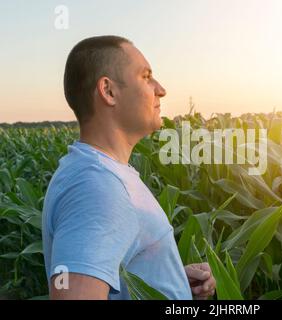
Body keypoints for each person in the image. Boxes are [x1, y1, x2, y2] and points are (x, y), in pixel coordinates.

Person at [41, 35, 216, 300]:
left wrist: (171, 281)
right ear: (109, 91)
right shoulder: (97, 187)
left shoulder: (104, 172)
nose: (161, 89)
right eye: (146, 77)